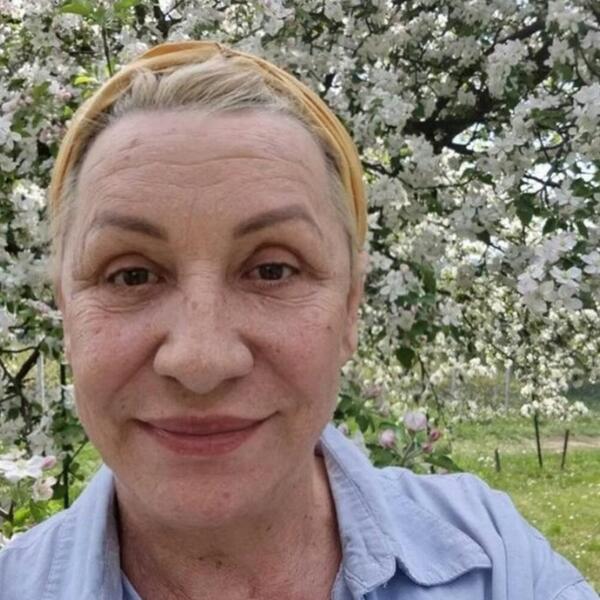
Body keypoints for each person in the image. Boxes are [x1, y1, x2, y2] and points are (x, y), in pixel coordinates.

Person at [0, 41, 596, 600]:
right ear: (66, 315)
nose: (201, 361)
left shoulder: (494, 560)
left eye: (272, 270)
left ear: (349, 307)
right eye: (131, 276)